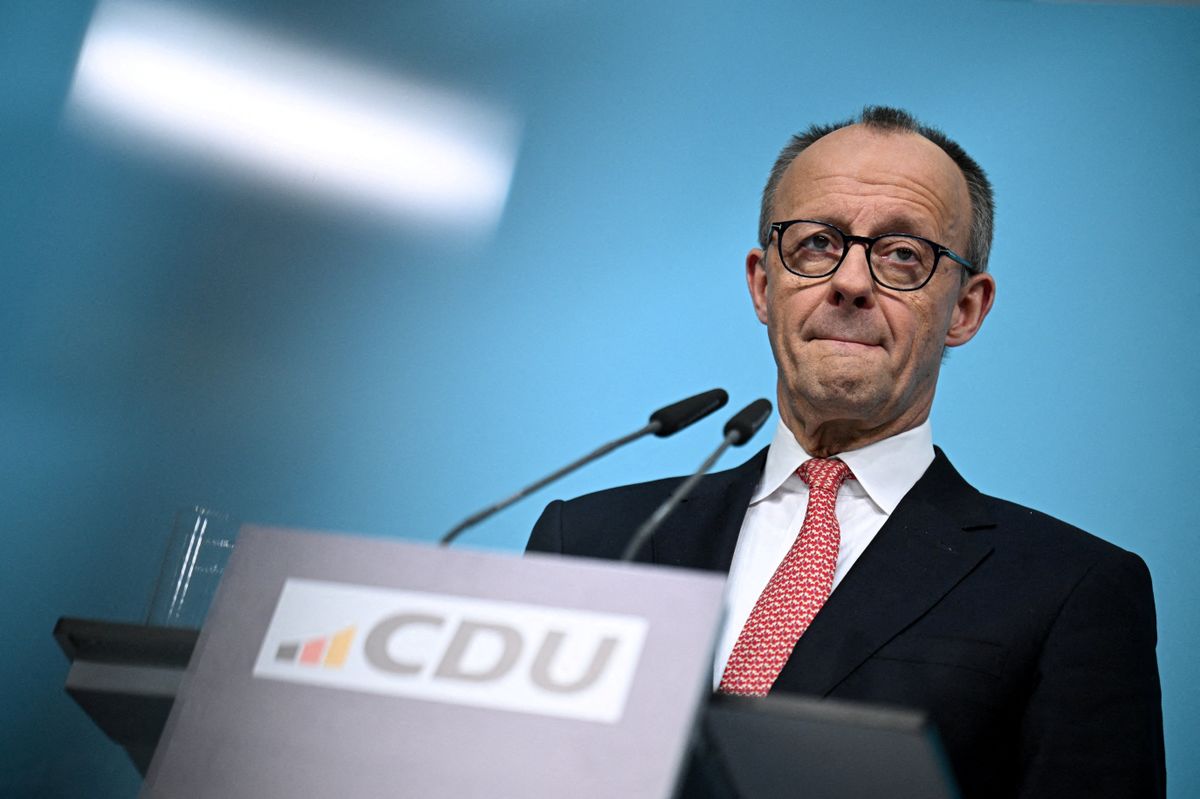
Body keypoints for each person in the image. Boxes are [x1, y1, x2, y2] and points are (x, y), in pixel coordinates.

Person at [526, 106, 1165, 798]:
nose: (852, 282)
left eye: (903, 255)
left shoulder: (1071, 589)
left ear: (965, 309)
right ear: (763, 285)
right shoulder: (589, 542)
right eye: (817, 243)